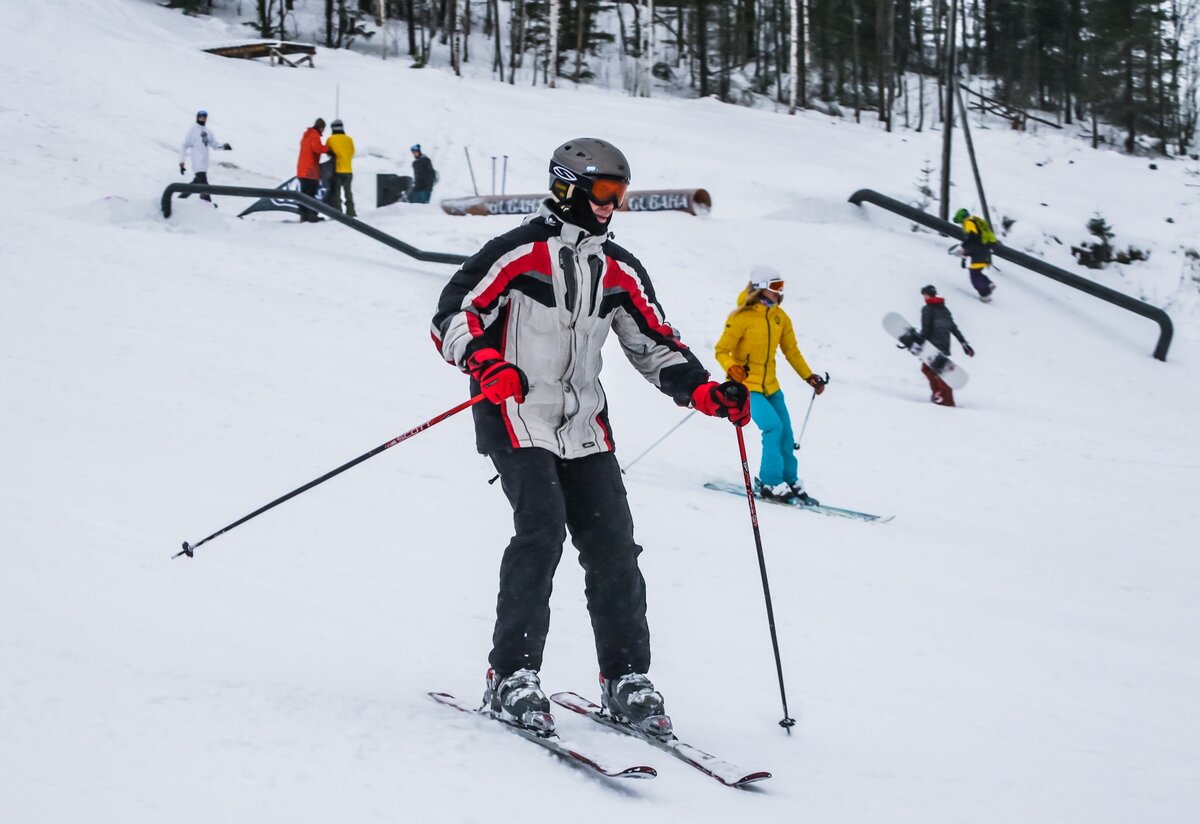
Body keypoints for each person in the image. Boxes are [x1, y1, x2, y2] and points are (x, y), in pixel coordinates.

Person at [430, 137, 749, 736]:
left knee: (614, 548)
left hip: (585, 428)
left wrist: (703, 390)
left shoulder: (620, 269)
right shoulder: (515, 254)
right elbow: (454, 313)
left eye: (619, 195)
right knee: (542, 531)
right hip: (515, 416)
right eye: (603, 193)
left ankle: (626, 678)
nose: (611, 206)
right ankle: (512, 677)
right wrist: (483, 361)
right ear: (568, 188)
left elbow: (655, 344)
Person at [713, 266, 827, 504]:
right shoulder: (741, 317)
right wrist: (732, 368)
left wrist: (809, 376)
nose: (780, 291)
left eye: (781, 286)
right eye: (775, 286)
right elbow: (721, 350)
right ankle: (769, 482)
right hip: (747, 386)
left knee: (786, 432)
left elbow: (791, 351)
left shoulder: (779, 318)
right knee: (773, 428)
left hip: (771, 386)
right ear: (761, 288)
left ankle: (789, 479)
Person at [914, 284, 975, 407]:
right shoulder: (944, 309)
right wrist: (964, 343)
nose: (923, 297)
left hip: (931, 347)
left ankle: (942, 396)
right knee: (938, 371)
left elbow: (926, 329)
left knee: (932, 371)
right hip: (944, 347)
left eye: (924, 295)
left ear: (928, 295)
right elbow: (953, 328)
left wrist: (919, 343)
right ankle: (942, 396)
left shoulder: (927, 309)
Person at [179, 109, 231, 202]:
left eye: (204, 117)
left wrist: (224, 146)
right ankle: (208, 204)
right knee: (205, 186)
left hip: (204, 164)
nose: (202, 118)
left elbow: (214, 145)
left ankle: (180, 199)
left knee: (196, 184)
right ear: (197, 117)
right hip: (197, 163)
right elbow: (184, 146)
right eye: (201, 116)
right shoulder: (193, 130)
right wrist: (181, 163)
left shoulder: (208, 131)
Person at [953, 208, 997, 301]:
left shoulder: (968, 223)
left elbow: (973, 237)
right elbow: (976, 240)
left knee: (974, 276)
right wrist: (965, 252)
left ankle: (985, 294)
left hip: (980, 252)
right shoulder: (975, 221)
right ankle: (989, 283)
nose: (961, 225)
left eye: (960, 221)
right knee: (977, 272)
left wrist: (963, 247)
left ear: (961, 218)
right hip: (985, 251)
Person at [296, 118, 330, 222]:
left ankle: (303, 216)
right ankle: (311, 216)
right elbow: (317, 148)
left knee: (304, 194)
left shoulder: (306, 136)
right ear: (321, 127)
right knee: (310, 194)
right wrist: (329, 149)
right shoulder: (314, 136)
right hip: (310, 171)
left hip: (302, 170)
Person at [324, 119, 356, 218]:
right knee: (348, 192)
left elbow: (327, 152)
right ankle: (351, 212)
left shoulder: (330, 139)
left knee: (336, 193)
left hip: (336, 170)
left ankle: (338, 212)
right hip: (348, 169)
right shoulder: (349, 139)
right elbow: (352, 152)